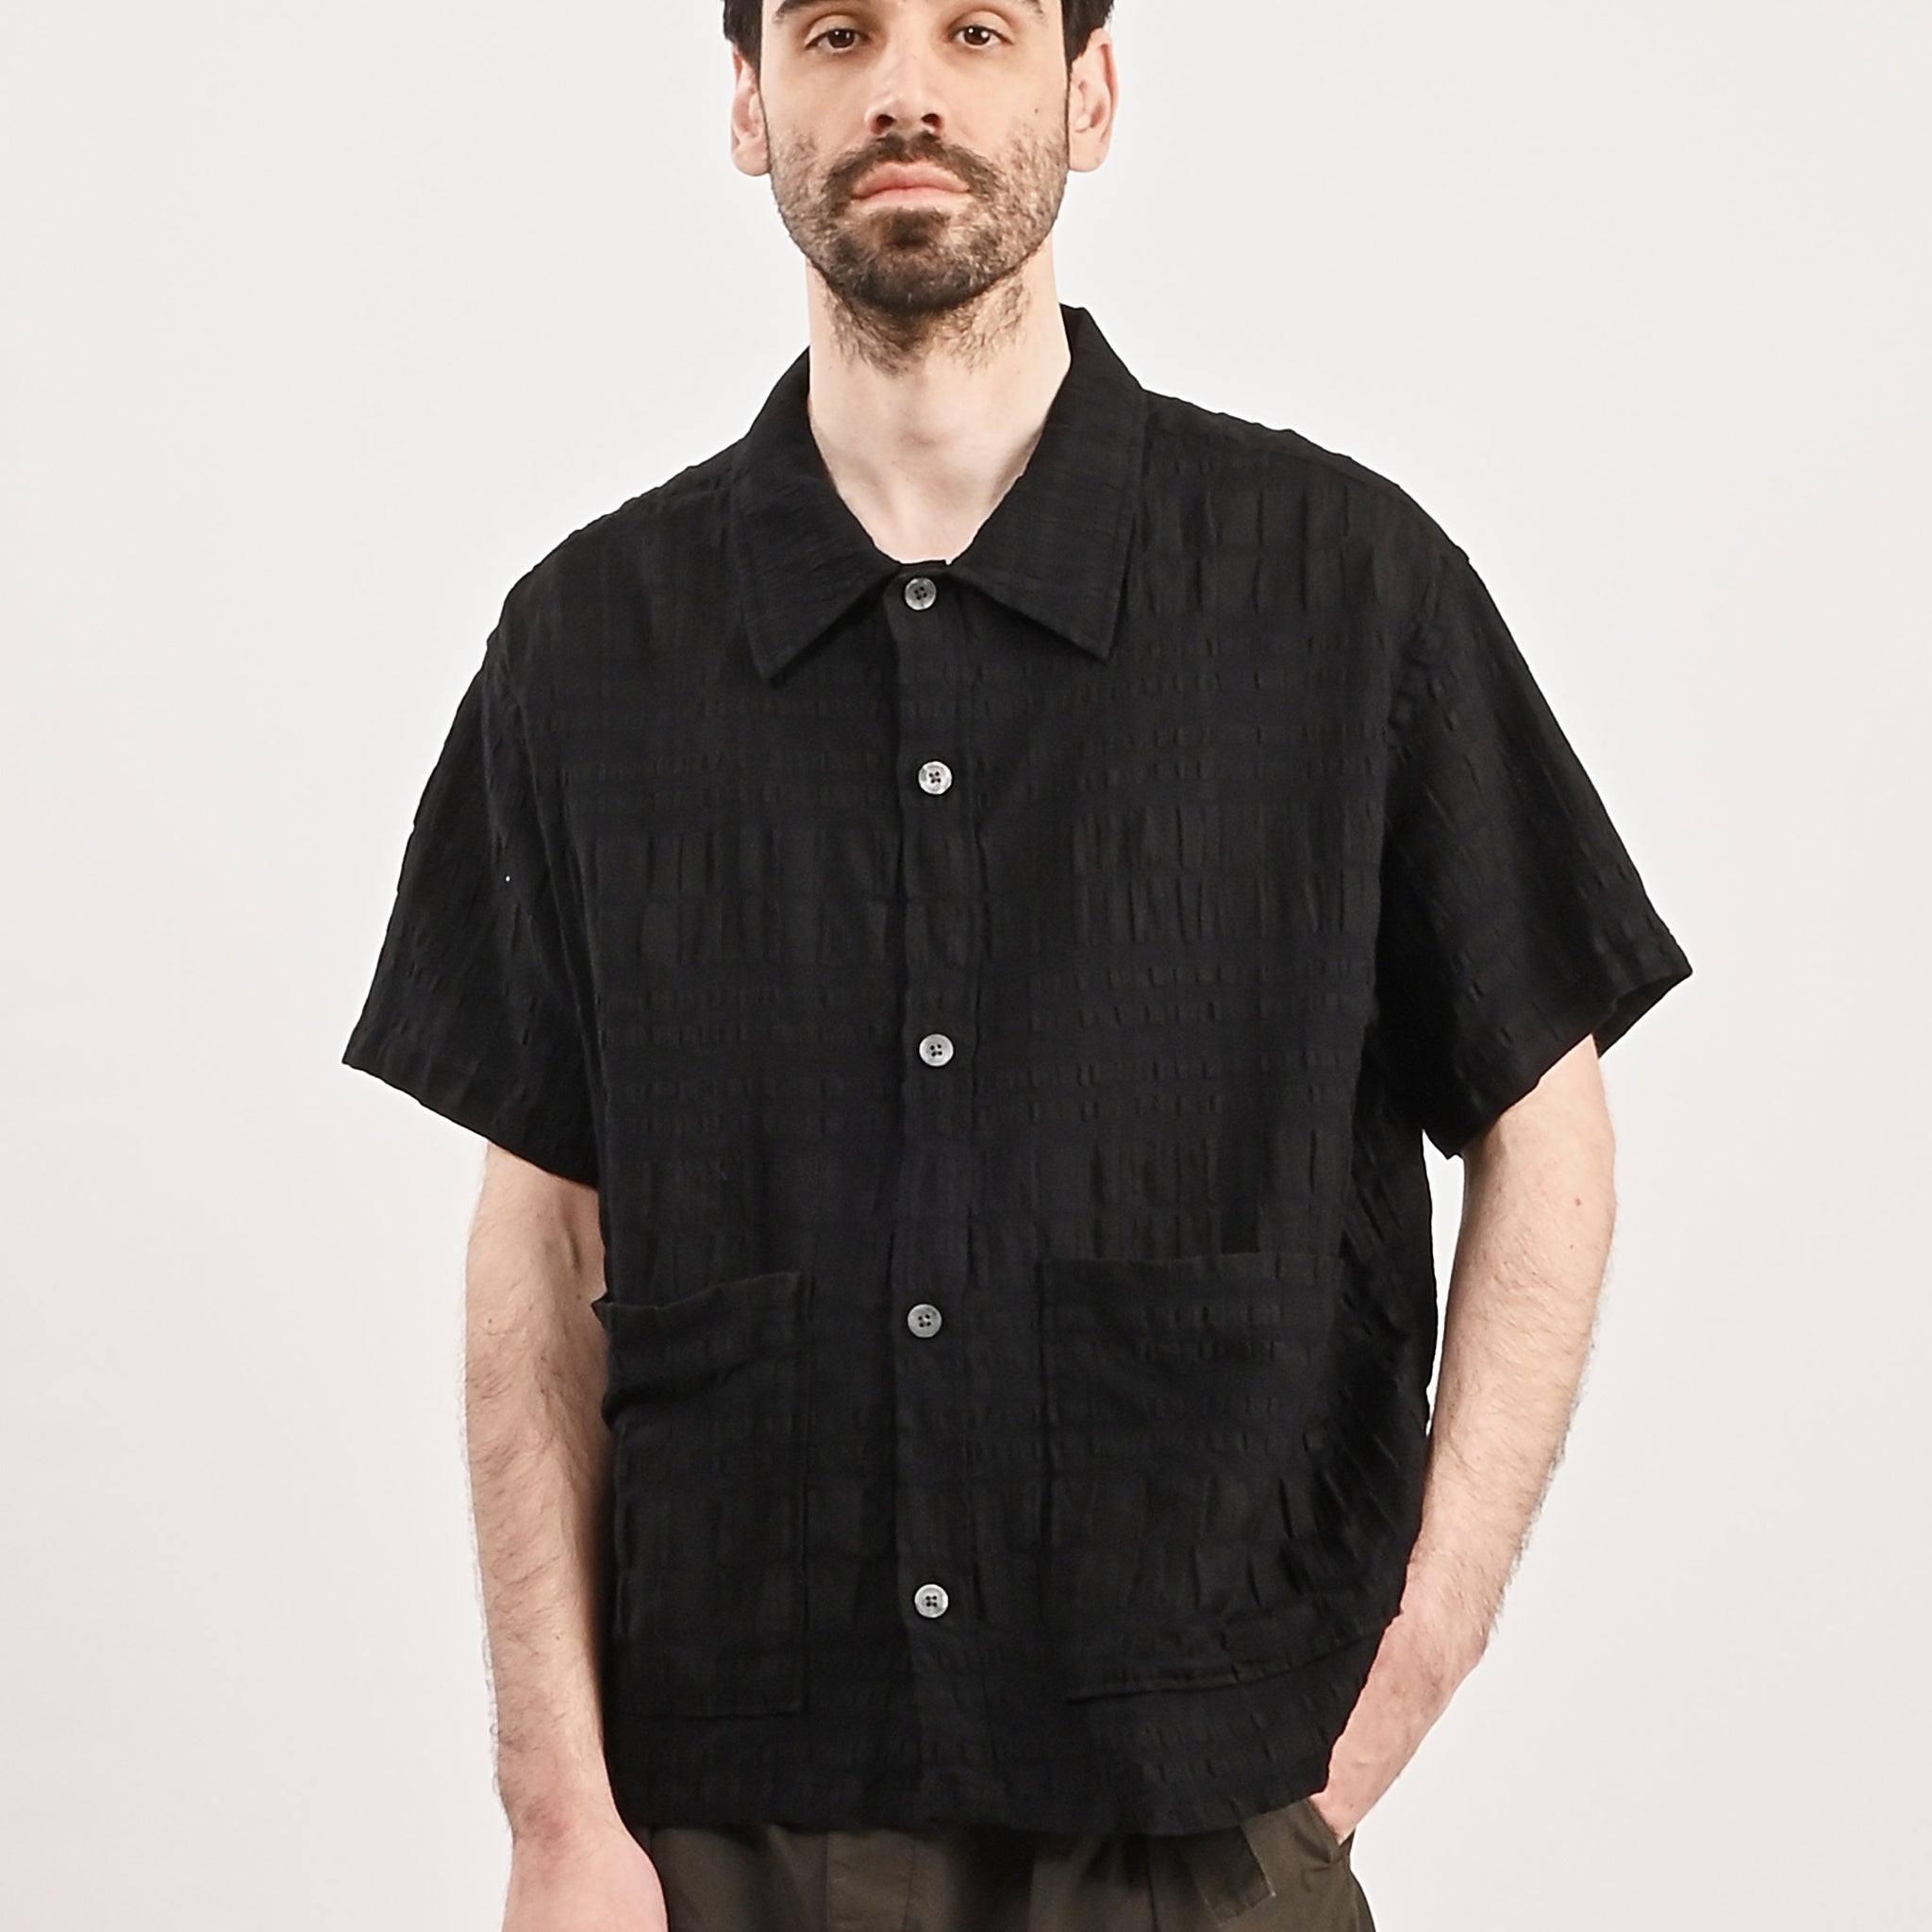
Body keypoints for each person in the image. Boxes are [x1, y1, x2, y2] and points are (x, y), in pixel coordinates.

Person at [341, 3, 1694, 1926]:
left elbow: (1546, 1123)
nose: (907, 87)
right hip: (722, 1821)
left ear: (1090, 92)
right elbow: (541, 1234)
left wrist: (1413, 1663)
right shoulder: (586, 649)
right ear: (749, 105)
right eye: (837, 32)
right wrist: (553, 1803)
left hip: (1209, 1810)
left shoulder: (1342, 591)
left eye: (976, 28)